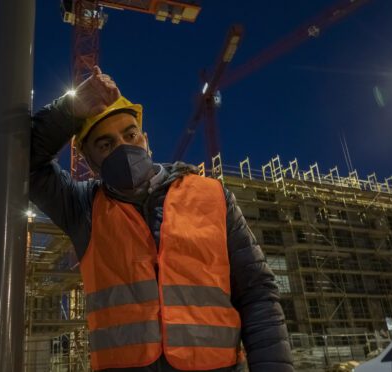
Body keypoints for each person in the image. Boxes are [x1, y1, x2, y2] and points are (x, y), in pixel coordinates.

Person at [30, 66, 294, 372]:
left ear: (145, 140)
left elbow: (257, 292)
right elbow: (26, 163)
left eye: (129, 135)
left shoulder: (212, 196)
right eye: (106, 144)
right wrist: (69, 110)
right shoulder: (83, 207)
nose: (123, 147)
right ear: (90, 163)